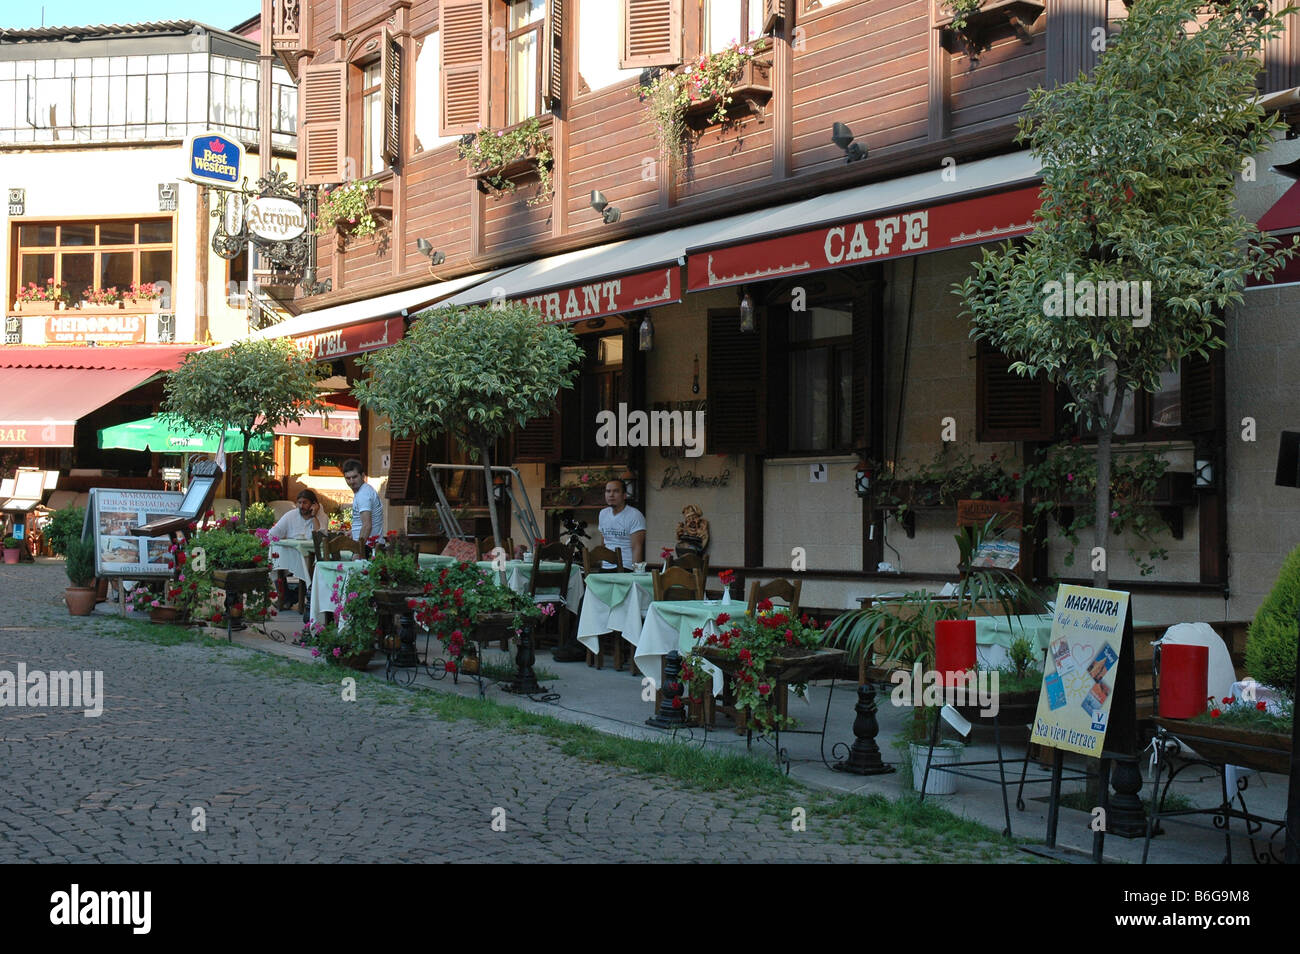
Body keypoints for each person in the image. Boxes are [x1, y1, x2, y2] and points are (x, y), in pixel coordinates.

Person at [269, 489, 324, 611]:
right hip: (292, 552)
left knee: (310, 569)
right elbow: (272, 534)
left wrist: (314, 516)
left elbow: (320, 536)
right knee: (274, 562)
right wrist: (282, 536)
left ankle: (293, 597)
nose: (301, 506)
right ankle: (287, 596)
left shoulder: (321, 516)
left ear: (313, 504)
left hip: (313, 555)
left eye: (305, 502)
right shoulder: (291, 515)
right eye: (299, 502)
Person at [598, 479, 645, 568]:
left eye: (616, 491)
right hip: (606, 566)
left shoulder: (634, 515)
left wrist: (635, 574)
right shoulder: (603, 513)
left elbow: (637, 547)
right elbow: (603, 543)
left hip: (626, 567)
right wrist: (602, 565)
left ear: (624, 495)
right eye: (608, 491)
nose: (611, 495)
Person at [343, 459, 385, 544]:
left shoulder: (363, 494)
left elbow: (367, 526)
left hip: (367, 547)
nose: (351, 481)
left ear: (362, 476)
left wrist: (358, 550)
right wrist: (353, 532)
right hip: (371, 544)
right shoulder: (365, 490)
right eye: (348, 478)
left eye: (354, 477)